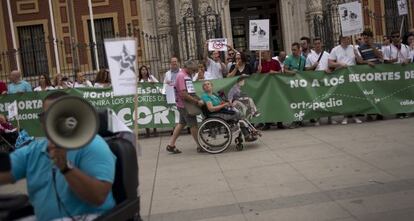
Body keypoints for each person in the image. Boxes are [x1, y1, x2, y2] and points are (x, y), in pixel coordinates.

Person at [0, 91, 116, 221]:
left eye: (57, 115)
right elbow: (6, 169)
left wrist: (66, 167)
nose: (51, 122)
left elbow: (99, 196)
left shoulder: (93, 145)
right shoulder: (34, 150)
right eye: (46, 116)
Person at [166, 60, 204, 154]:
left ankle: (171, 145)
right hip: (185, 105)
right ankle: (200, 146)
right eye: (193, 70)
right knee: (193, 125)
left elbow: (186, 90)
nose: (194, 72)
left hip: (183, 104)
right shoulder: (182, 76)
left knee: (181, 123)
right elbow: (183, 94)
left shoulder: (184, 75)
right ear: (188, 68)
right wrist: (196, 101)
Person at [329, 35, 363, 125]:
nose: (348, 40)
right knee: (345, 95)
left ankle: (355, 116)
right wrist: (339, 64)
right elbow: (330, 63)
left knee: (353, 95)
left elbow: (360, 61)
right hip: (341, 75)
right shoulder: (335, 49)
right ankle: (345, 116)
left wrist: (356, 53)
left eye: (349, 38)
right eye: (346, 38)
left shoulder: (354, 48)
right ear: (342, 39)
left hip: (352, 75)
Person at [139, 65, 159, 137]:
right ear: (140, 72)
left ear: (147, 71)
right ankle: (147, 131)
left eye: (145, 70)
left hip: (152, 98)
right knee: (145, 114)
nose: (144, 71)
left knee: (153, 113)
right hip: (144, 99)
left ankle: (155, 130)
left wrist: (153, 83)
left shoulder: (151, 77)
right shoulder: (139, 80)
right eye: (142, 70)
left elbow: (158, 84)